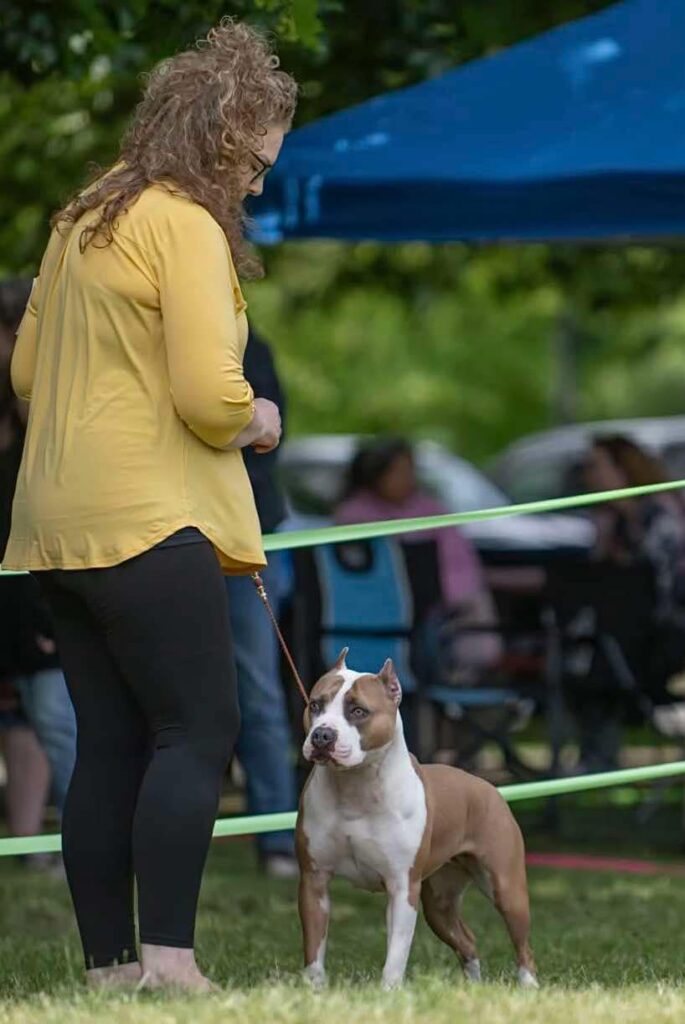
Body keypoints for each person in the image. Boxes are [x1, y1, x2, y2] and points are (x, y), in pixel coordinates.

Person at [3, 20, 296, 992]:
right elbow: (208, 396)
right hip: (147, 518)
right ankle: (172, 961)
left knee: (111, 742)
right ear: (222, 138)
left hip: (51, 523)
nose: (255, 184)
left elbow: (26, 369)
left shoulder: (81, 215)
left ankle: (108, 970)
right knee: (197, 731)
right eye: (255, 163)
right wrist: (257, 417)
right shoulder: (186, 223)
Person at [0, 278, 76, 856]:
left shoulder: (49, 414)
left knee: (55, 721)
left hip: (44, 597)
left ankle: (85, 843)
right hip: (18, 599)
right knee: (28, 723)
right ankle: (34, 843)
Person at [335, 437, 502, 679]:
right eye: (399, 471)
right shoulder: (353, 515)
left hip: (438, 607)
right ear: (376, 475)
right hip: (375, 610)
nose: (408, 478)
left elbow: (459, 561)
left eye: (410, 470)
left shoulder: (430, 510)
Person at [228, 328, 297, 879]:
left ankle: (277, 836)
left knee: (259, 694)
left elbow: (268, 436)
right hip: (172, 530)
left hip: (246, 530)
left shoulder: (249, 342)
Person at [572, 434, 685, 770]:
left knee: (600, 649)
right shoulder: (615, 521)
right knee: (592, 644)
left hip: (669, 633)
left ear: (623, 470)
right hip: (634, 635)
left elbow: (661, 592)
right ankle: (597, 754)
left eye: (595, 465)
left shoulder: (662, 515)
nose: (587, 474)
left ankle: (597, 757)